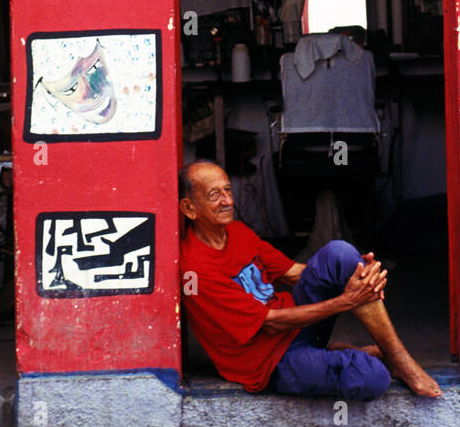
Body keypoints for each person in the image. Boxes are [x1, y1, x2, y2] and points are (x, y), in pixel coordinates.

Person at [179, 160, 442, 402]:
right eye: (215, 195)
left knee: (340, 254)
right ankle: (335, 353)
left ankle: (398, 359)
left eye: (228, 190)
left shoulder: (237, 231)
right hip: (270, 362)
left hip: (296, 330)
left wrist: (357, 272)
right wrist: (345, 301)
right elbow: (270, 323)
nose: (227, 201)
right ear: (189, 208)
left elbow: (295, 273)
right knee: (371, 377)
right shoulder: (196, 270)